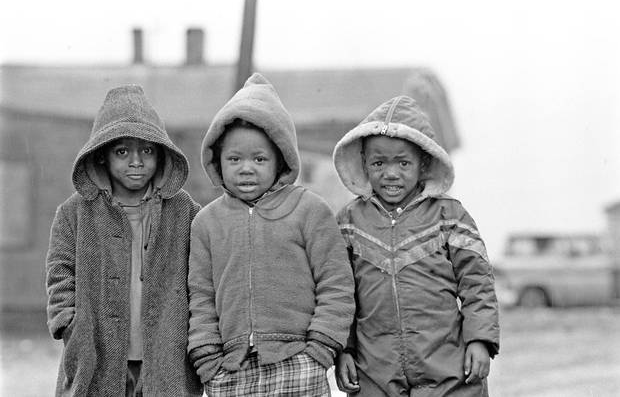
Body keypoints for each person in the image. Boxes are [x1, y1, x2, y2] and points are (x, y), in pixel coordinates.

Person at [187, 73, 355, 396]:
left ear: (281, 159)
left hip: (299, 363)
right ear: (217, 161)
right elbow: (201, 296)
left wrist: (320, 351)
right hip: (231, 371)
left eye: (259, 159)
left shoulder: (310, 210)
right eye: (234, 159)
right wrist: (208, 361)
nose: (246, 168)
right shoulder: (206, 223)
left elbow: (336, 283)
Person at [332, 95, 500, 396]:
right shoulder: (349, 220)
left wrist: (480, 340)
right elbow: (340, 292)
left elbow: (478, 284)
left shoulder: (450, 216)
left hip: (449, 369)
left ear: (424, 165)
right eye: (379, 162)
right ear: (364, 165)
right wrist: (344, 349)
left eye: (403, 162)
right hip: (374, 370)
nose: (391, 173)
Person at [45, 85, 203, 396]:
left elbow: (200, 279)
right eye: (122, 151)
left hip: (167, 357)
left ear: (162, 154)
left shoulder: (186, 212)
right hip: (96, 355)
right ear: (101, 156)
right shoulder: (74, 212)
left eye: (147, 150)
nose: (136, 162)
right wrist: (70, 325)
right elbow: (59, 273)